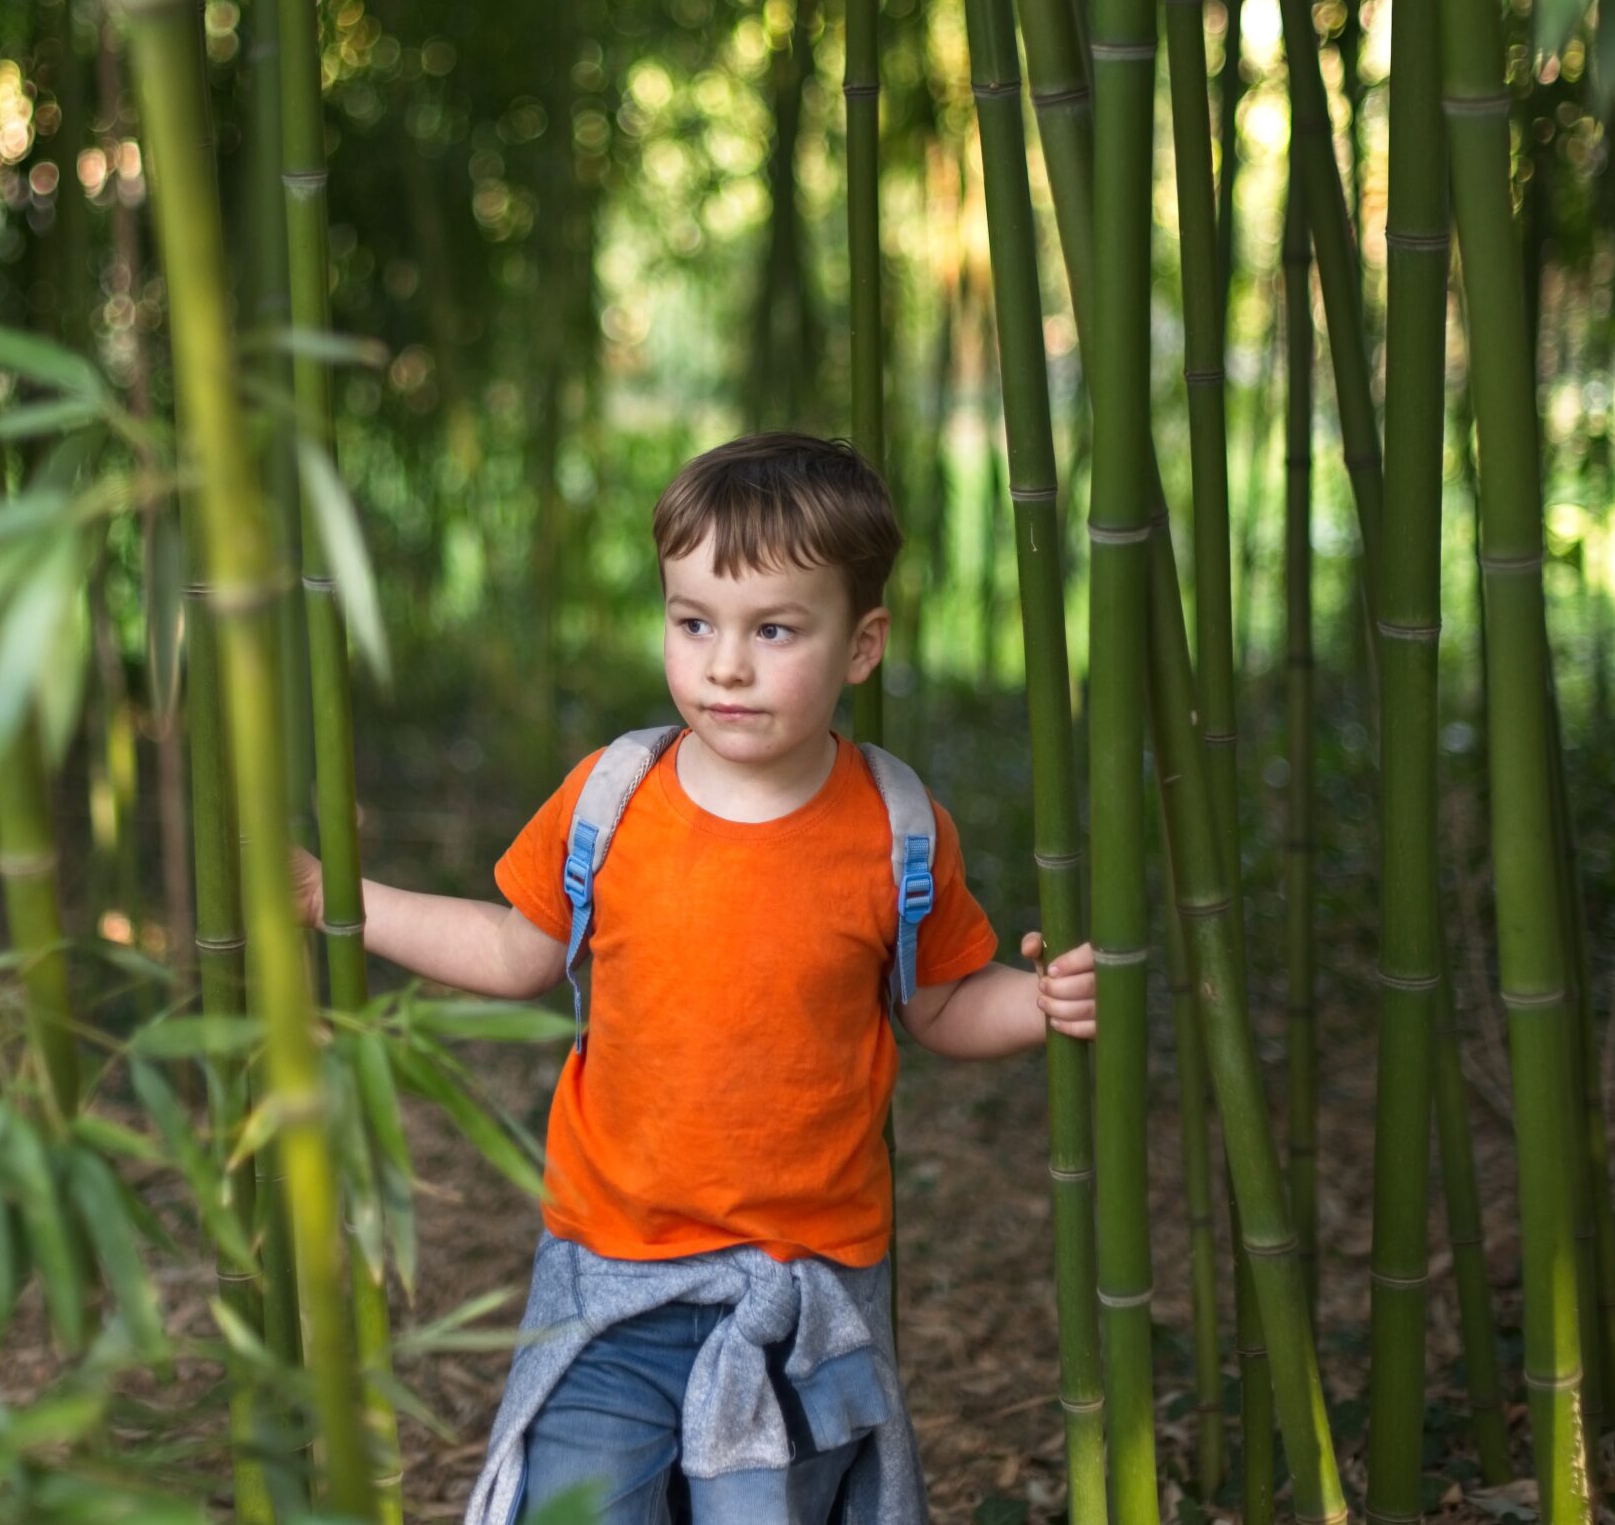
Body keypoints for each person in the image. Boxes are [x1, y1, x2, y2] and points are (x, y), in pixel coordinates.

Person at [293, 431, 1099, 1524]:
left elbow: (942, 1005)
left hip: (800, 1293)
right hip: (610, 1277)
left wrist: (1039, 1003)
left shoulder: (896, 829)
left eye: (773, 630)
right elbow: (514, 951)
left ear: (861, 645)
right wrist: (347, 904)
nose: (724, 665)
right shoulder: (612, 799)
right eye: (692, 624)